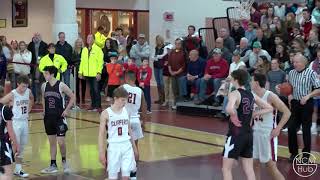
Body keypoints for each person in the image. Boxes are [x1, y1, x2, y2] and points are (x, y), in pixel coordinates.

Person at [222, 69, 273, 180]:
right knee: (249, 170)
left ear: (235, 80)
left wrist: (233, 114)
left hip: (236, 134)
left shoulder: (234, 93)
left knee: (226, 169)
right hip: (248, 135)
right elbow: (269, 107)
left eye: (232, 78)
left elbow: (229, 108)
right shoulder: (251, 95)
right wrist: (254, 113)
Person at [251, 73, 291, 180]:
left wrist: (278, 128)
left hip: (267, 134)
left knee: (271, 166)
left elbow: (287, 112)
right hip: (254, 133)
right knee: (254, 163)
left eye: (251, 80)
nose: (250, 82)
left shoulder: (270, 96)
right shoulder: (251, 95)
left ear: (256, 82)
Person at [40, 66, 75, 173]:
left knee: (61, 142)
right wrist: (44, 110)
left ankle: (64, 161)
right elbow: (43, 98)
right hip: (48, 118)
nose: (44, 75)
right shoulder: (43, 86)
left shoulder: (61, 85)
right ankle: (53, 164)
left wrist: (67, 109)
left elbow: (73, 96)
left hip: (59, 118)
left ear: (52, 74)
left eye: (46, 73)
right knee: (52, 143)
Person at [98, 86, 138, 180]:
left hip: (126, 146)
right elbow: (101, 134)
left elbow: (129, 130)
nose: (125, 103)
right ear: (115, 98)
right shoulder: (106, 113)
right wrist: (101, 152)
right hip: (113, 147)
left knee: (126, 176)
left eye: (126, 100)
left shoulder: (126, 111)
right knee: (112, 177)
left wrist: (135, 148)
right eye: (123, 100)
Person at [286, 54, 320, 162]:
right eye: (294, 62)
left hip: (306, 103)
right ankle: (294, 154)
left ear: (303, 63)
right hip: (295, 104)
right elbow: (289, 88)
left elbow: (318, 89)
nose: (294, 64)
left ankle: (305, 156)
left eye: (297, 62)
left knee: (306, 130)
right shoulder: (291, 73)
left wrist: (308, 96)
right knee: (291, 128)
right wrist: (289, 95)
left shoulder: (311, 73)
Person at [0, 75, 33, 177]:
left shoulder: (28, 92)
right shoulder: (12, 94)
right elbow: (1, 102)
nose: (25, 88)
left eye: (26, 86)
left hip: (24, 121)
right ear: (18, 84)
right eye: (23, 86)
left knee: (21, 147)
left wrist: (29, 108)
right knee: (14, 146)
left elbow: (32, 99)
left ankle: (18, 169)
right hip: (15, 122)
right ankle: (6, 167)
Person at [123, 70, 148, 179]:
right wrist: (144, 123)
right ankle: (134, 173)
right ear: (135, 79)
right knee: (135, 146)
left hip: (124, 120)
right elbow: (144, 107)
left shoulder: (122, 88)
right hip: (135, 119)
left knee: (117, 145)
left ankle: (112, 170)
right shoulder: (140, 90)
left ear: (126, 78)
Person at [78, 34, 104, 112]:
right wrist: (80, 72)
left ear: (94, 39)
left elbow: (100, 62)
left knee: (96, 90)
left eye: (90, 38)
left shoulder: (98, 49)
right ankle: (93, 105)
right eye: (87, 38)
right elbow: (82, 62)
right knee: (91, 90)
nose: (88, 39)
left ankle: (98, 106)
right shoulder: (84, 50)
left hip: (95, 73)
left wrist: (99, 72)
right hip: (87, 74)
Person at [0, 86, 19, 179]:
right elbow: (10, 131)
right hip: (2, 145)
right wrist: (16, 144)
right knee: (8, 175)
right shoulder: (5, 110)